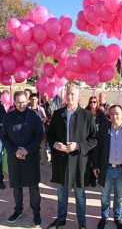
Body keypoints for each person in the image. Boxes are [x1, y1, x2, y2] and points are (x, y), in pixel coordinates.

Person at [47, 86, 97, 229]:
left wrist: (78, 146)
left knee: (79, 194)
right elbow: (50, 135)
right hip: (61, 160)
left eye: (73, 94)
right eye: (67, 94)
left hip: (78, 160)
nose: (70, 96)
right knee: (61, 192)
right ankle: (61, 219)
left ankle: (82, 223)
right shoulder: (57, 114)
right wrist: (55, 144)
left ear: (79, 97)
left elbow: (94, 139)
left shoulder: (87, 116)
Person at [0, 91, 44, 227]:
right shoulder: (8, 117)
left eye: (24, 102)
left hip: (30, 156)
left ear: (28, 101)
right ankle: (18, 210)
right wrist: (15, 151)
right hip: (15, 157)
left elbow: (39, 136)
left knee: (33, 186)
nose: (21, 104)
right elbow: (4, 137)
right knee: (16, 186)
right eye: (18, 102)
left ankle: (36, 213)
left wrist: (27, 150)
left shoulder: (34, 116)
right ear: (14, 102)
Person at [93, 105, 122, 229]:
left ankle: (118, 218)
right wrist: (95, 165)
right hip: (106, 169)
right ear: (109, 116)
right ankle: (104, 217)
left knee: (119, 196)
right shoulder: (103, 128)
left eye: (117, 113)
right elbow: (97, 148)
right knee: (104, 196)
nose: (114, 116)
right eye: (111, 114)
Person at [28, 93, 49, 165]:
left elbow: (45, 117)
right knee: (30, 144)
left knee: (42, 145)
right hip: (30, 130)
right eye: (32, 99)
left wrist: (43, 119)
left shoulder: (40, 108)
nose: (34, 101)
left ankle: (43, 160)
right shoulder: (27, 109)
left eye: (35, 99)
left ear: (37, 100)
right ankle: (31, 159)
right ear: (29, 100)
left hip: (39, 129)